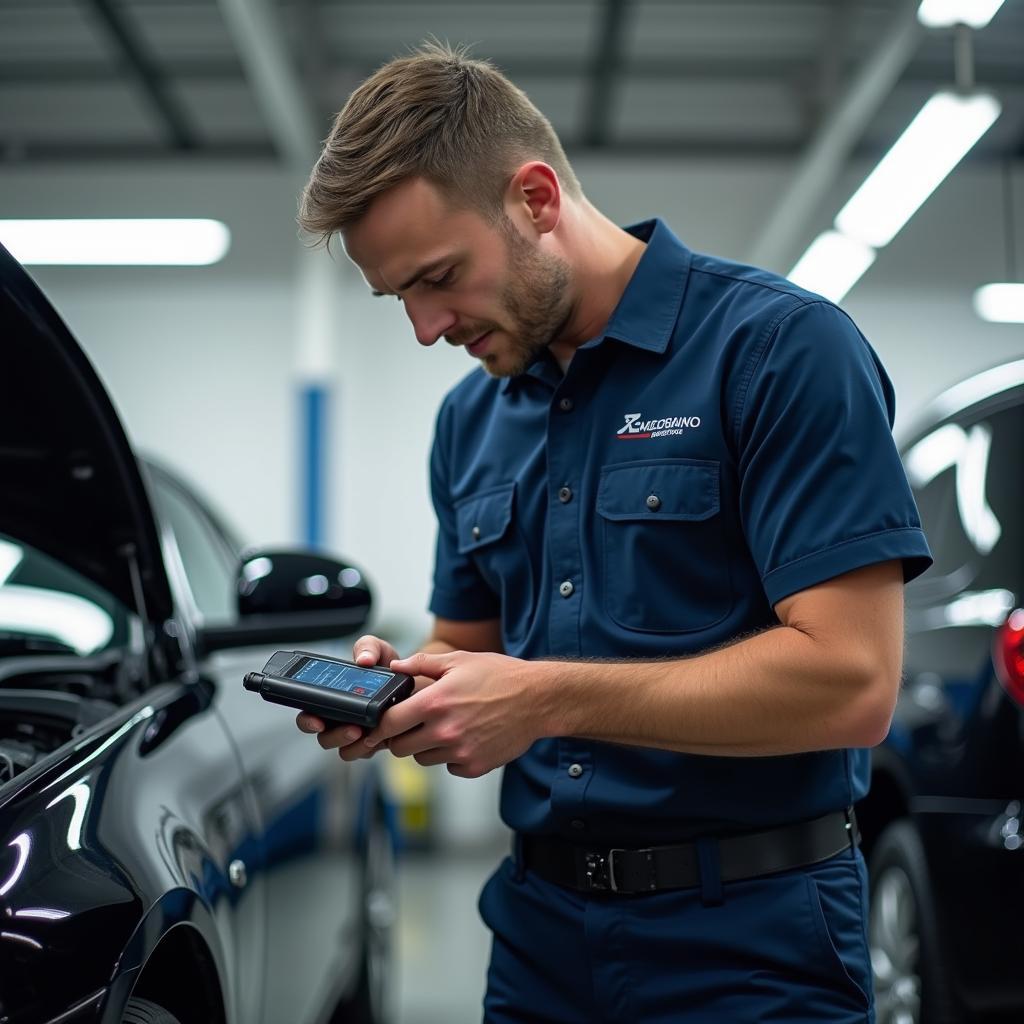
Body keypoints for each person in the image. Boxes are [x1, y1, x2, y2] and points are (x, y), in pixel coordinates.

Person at [295, 42, 932, 1023]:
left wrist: (543, 699)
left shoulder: (777, 352)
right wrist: (408, 689)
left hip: (750, 946)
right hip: (537, 944)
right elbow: (474, 652)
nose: (426, 328)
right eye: (400, 300)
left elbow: (850, 682)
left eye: (439, 277)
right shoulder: (471, 422)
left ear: (536, 199)